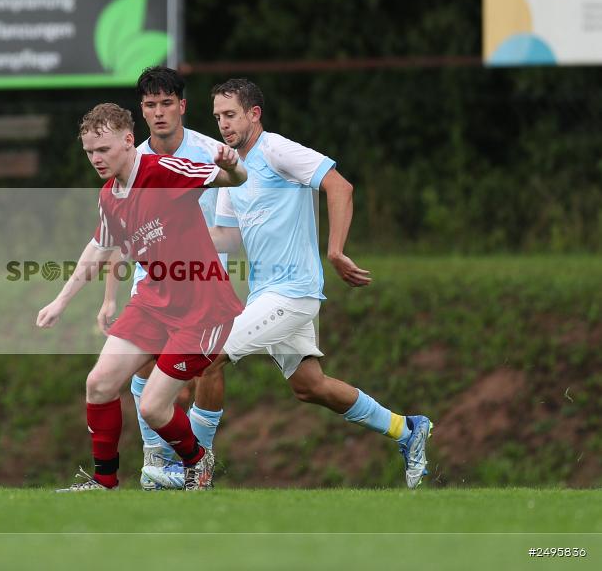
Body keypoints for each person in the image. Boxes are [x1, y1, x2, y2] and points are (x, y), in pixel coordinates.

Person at [170, 79, 432, 489]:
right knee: (310, 387)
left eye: (231, 115)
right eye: (218, 116)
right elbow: (227, 238)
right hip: (267, 295)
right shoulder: (231, 170)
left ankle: (195, 468)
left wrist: (335, 251)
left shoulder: (276, 150)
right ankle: (407, 429)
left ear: (254, 114)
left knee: (207, 356)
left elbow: (339, 185)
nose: (223, 124)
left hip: (293, 292)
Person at [36, 103, 246, 491]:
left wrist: (232, 166)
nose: (96, 159)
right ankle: (104, 481)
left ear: (129, 141)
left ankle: (198, 462)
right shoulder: (109, 196)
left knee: (152, 406)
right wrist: (60, 301)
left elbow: (233, 179)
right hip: (154, 302)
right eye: (90, 152)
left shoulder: (162, 172)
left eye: (104, 149)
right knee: (99, 383)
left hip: (203, 309)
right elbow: (99, 248)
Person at [96, 66, 228, 490]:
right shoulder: (129, 160)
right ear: (141, 112)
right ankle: (157, 463)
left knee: (203, 374)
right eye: (150, 105)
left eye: (166, 103)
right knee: (140, 376)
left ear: (182, 106)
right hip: (151, 285)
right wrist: (109, 298)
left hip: (204, 283)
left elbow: (240, 207)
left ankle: (197, 461)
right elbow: (116, 237)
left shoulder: (210, 152)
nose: (158, 112)